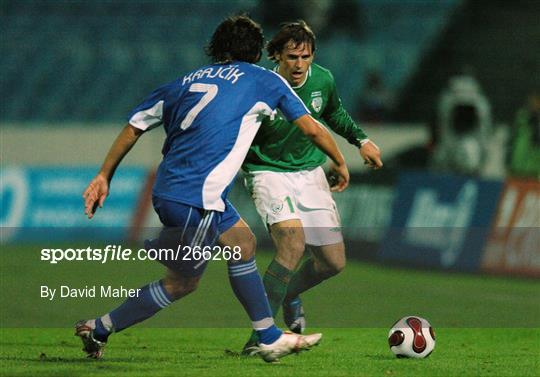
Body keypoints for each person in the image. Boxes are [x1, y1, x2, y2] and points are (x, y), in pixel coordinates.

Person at [76, 15, 350, 363]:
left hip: (182, 191)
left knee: (242, 243)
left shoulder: (185, 81)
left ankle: (266, 335)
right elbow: (312, 129)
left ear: (217, 48)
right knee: (181, 283)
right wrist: (339, 161)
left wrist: (103, 175)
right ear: (256, 51)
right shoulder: (264, 79)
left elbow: (135, 125)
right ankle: (100, 327)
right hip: (195, 197)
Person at [241, 20, 382, 353]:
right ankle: (259, 339)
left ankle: (288, 293)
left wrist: (361, 140)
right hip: (267, 171)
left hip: (309, 172)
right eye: (291, 57)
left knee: (333, 262)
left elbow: (333, 113)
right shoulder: (260, 85)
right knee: (292, 245)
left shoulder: (323, 79)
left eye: (305, 57)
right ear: (276, 56)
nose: (299, 65)